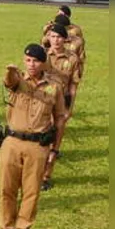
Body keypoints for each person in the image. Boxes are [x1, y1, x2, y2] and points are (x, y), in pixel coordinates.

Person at [0, 44, 64, 229]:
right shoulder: (18, 81)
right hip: (12, 142)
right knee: (7, 189)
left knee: (31, 192)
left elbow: (59, 118)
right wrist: (10, 70)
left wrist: (54, 149)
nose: (31, 64)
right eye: (28, 60)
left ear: (43, 63)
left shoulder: (54, 87)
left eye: (35, 61)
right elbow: (9, 82)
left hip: (37, 145)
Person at [41, 23, 81, 191]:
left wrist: (69, 108)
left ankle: (46, 176)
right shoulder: (42, 55)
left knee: (55, 142)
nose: (55, 40)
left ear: (65, 40)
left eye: (59, 37)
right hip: (43, 100)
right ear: (48, 38)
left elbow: (73, 85)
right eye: (52, 36)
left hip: (61, 102)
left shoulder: (72, 59)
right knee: (40, 138)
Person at [43, 14, 87, 78]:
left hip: (67, 71)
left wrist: (78, 74)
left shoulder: (77, 42)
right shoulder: (49, 37)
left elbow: (81, 59)